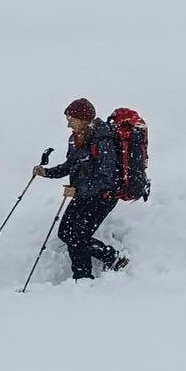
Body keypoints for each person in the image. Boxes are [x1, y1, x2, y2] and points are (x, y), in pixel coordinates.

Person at [35, 98, 131, 279]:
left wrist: (78, 190)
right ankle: (111, 259)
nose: (68, 124)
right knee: (65, 233)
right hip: (84, 195)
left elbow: (106, 179)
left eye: (71, 119)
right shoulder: (75, 139)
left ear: (84, 119)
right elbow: (69, 166)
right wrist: (46, 172)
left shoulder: (103, 140)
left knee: (77, 237)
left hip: (104, 197)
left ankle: (84, 277)